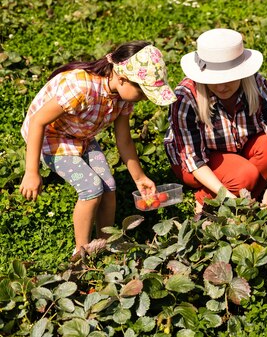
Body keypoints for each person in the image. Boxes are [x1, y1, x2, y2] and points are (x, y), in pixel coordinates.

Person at [19, 42, 176, 256]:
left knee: (109, 187)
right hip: (50, 137)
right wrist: (31, 171)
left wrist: (139, 177)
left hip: (80, 135)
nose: (144, 97)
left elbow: (124, 140)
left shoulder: (122, 97)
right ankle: (81, 251)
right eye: (142, 91)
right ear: (121, 78)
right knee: (91, 189)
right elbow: (38, 122)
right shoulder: (81, 87)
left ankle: (105, 242)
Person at [164, 28, 267, 212]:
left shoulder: (256, 84)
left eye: (228, 77)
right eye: (213, 78)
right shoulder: (186, 97)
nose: (221, 85)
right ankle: (206, 198)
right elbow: (193, 159)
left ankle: (244, 192)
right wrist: (226, 196)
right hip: (196, 163)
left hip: (237, 150)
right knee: (245, 177)